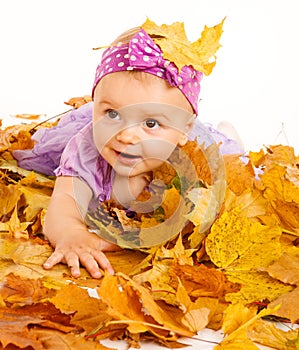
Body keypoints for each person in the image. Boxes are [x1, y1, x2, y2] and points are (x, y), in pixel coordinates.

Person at [13, 20, 243, 279]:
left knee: (237, 162)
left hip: (203, 151)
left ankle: (230, 134)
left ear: (184, 131)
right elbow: (65, 200)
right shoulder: (87, 150)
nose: (125, 135)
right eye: (111, 113)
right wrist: (71, 233)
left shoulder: (196, 162)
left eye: (151, 123)